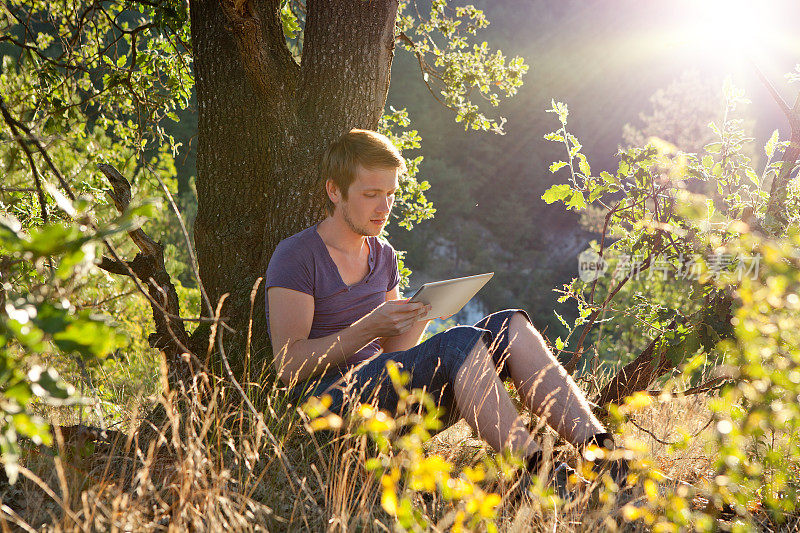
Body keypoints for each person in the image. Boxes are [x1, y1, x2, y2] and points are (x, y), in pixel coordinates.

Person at [265, 129, 626, 490]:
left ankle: (602, 454)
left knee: (510, 324)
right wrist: (370, 326)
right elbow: (288, 366)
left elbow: (397, 356)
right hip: (325, 407)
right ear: (334, 191)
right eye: (371, 194)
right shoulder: (297, 255)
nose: (384, 208)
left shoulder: (383, 255)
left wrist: (419, 315)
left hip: (384, 396)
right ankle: (538, 474)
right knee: (459, 342)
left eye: (390, 194)